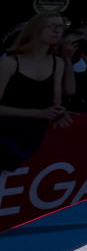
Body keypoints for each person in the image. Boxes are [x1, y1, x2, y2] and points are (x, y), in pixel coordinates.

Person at [0, 15, 74, 169]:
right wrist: (39, 113)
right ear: (35, 29)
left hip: (33, 137)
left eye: (61, 26)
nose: (57, 31)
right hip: (5, 134)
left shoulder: (57, 63)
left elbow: (56, 103)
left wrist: (59, 113)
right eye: (51, 26)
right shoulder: (9, 63)